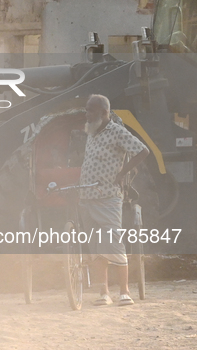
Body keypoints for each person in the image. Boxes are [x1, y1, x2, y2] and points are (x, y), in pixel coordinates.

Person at [79, 94, 149, 307]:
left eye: (91, 110)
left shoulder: (117, 131)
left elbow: (142, 151)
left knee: (114, 243)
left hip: (108, 197)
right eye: (87, 109)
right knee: (96, 246)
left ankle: (124, 292)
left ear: (103, 112)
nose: (87, 114)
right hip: (86, 197)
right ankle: (103, 292)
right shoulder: (91, 132)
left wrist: (122, 174)